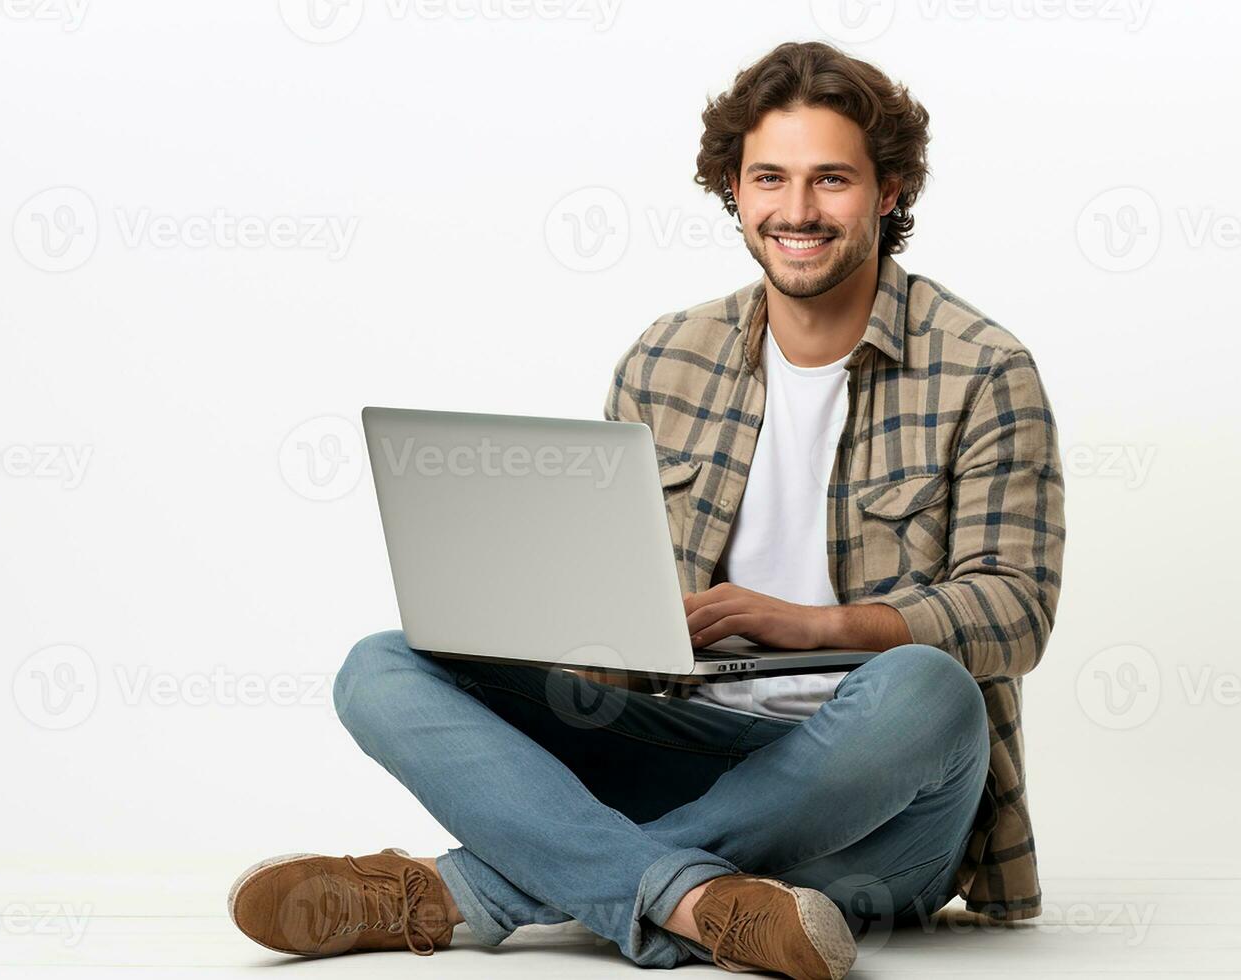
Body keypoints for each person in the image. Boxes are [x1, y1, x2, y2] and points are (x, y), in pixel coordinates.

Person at [228, 40, 1066, 980]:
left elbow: (1015, 611)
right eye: (769, 179)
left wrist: (814, 625)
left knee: (930, 689)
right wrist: (565, 638)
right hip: (695, 745)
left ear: (890, 190)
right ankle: (710, 904)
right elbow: (616, 623)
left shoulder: (984, 368)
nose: (797, 210)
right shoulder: (665, 359)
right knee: (378, 667)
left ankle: (475, 893)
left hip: (883, 799)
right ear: (735, 192)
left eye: (831, 179)